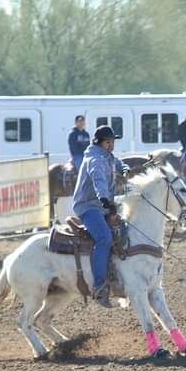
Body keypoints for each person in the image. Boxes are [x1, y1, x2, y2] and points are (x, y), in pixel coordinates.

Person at [72, 125, 126, 307]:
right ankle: (99, 286)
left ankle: (116, 276)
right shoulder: (95, 159)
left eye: (112, 142)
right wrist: (105, 199)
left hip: (100, 205)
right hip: (89, 206)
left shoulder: (106, 156)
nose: (111, 145)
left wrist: (124, 167)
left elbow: (117, 164)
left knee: (122, 231)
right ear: (100, 142)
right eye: (108, 142)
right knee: (104, 238)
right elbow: (99, 180)